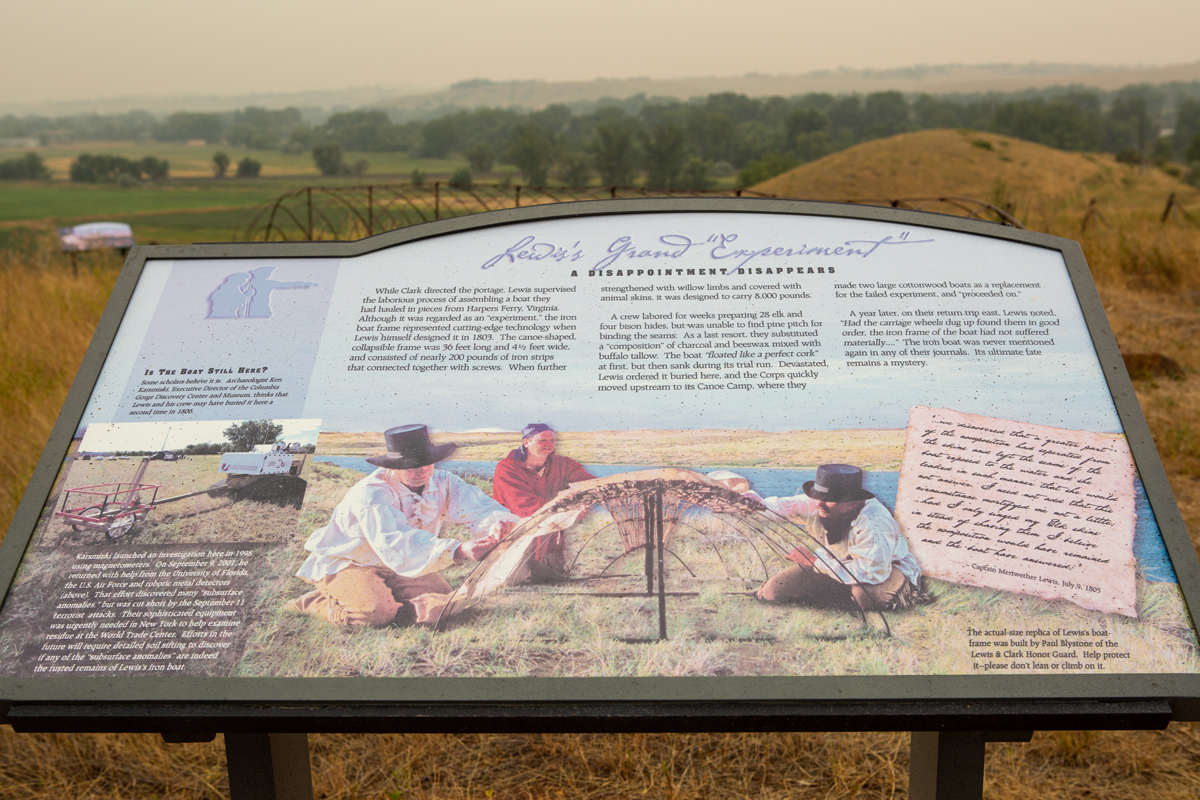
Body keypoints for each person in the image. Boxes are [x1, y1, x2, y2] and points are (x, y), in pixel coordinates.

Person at [286, 424, 519, 628]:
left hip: (398, 564)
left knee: (446, 601)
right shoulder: (371, 493)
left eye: (427, 463)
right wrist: (459, 549)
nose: (422, 471)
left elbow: (480, 507)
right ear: (393, 466)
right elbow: (394, 542)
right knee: (374, 614)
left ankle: (373, 596)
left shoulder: (442, 481)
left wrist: (496, 524)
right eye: (411, 465)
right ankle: (312, 602)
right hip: (349, 563)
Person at [719, 464, 922, 611]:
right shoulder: (818, 503)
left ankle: (903, 594)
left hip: (885, 569)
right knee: (772, 592)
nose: (819, 505)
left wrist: (814, 562)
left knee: (864, 596)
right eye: (817, 497)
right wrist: (743, 502)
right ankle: (843, 592)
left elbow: (872, 572)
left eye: (830, 501)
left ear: (852, 502)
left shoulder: (875, 522)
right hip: (834, 565)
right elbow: (777, 507)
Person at [492, 423, 594, 578]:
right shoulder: (507, 468)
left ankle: (549, 571)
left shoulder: (562, 464)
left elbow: (587, 484)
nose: (549, 445)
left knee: (552, 577)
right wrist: (568, 513)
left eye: (552, 441)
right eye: (542, 441)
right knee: (515, 579)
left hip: (551, 534)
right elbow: (524, 505)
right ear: (526, 442)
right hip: (516, 532)